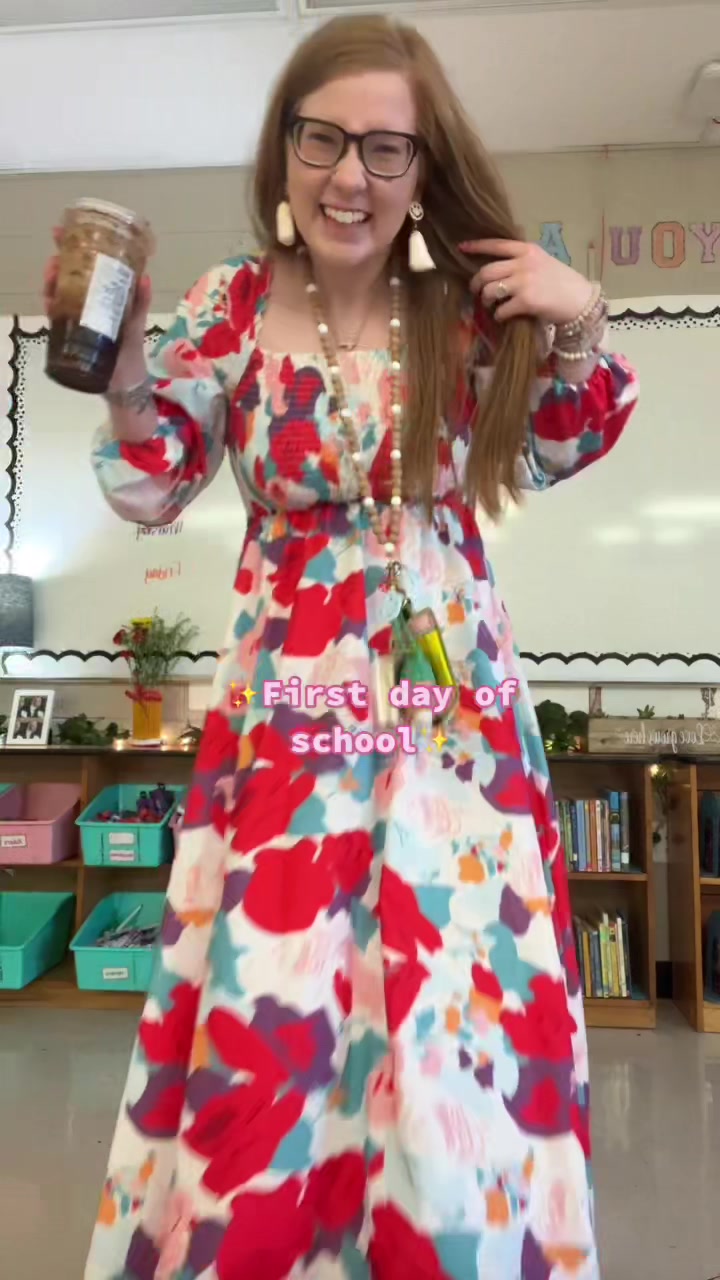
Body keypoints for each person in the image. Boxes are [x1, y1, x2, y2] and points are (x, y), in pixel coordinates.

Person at [44, 16, 638, 1280]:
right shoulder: (231, 305)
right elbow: (152, 479)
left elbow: (560, 441)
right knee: (283, 1001)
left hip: (451, 726)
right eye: (322, 139)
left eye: (385, 147)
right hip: (288, 723)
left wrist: (579, 313)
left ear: (424, 168)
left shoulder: (465, 312)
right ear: (284, 150)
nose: (349, 175)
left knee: (456, 1010)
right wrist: (129, 357)